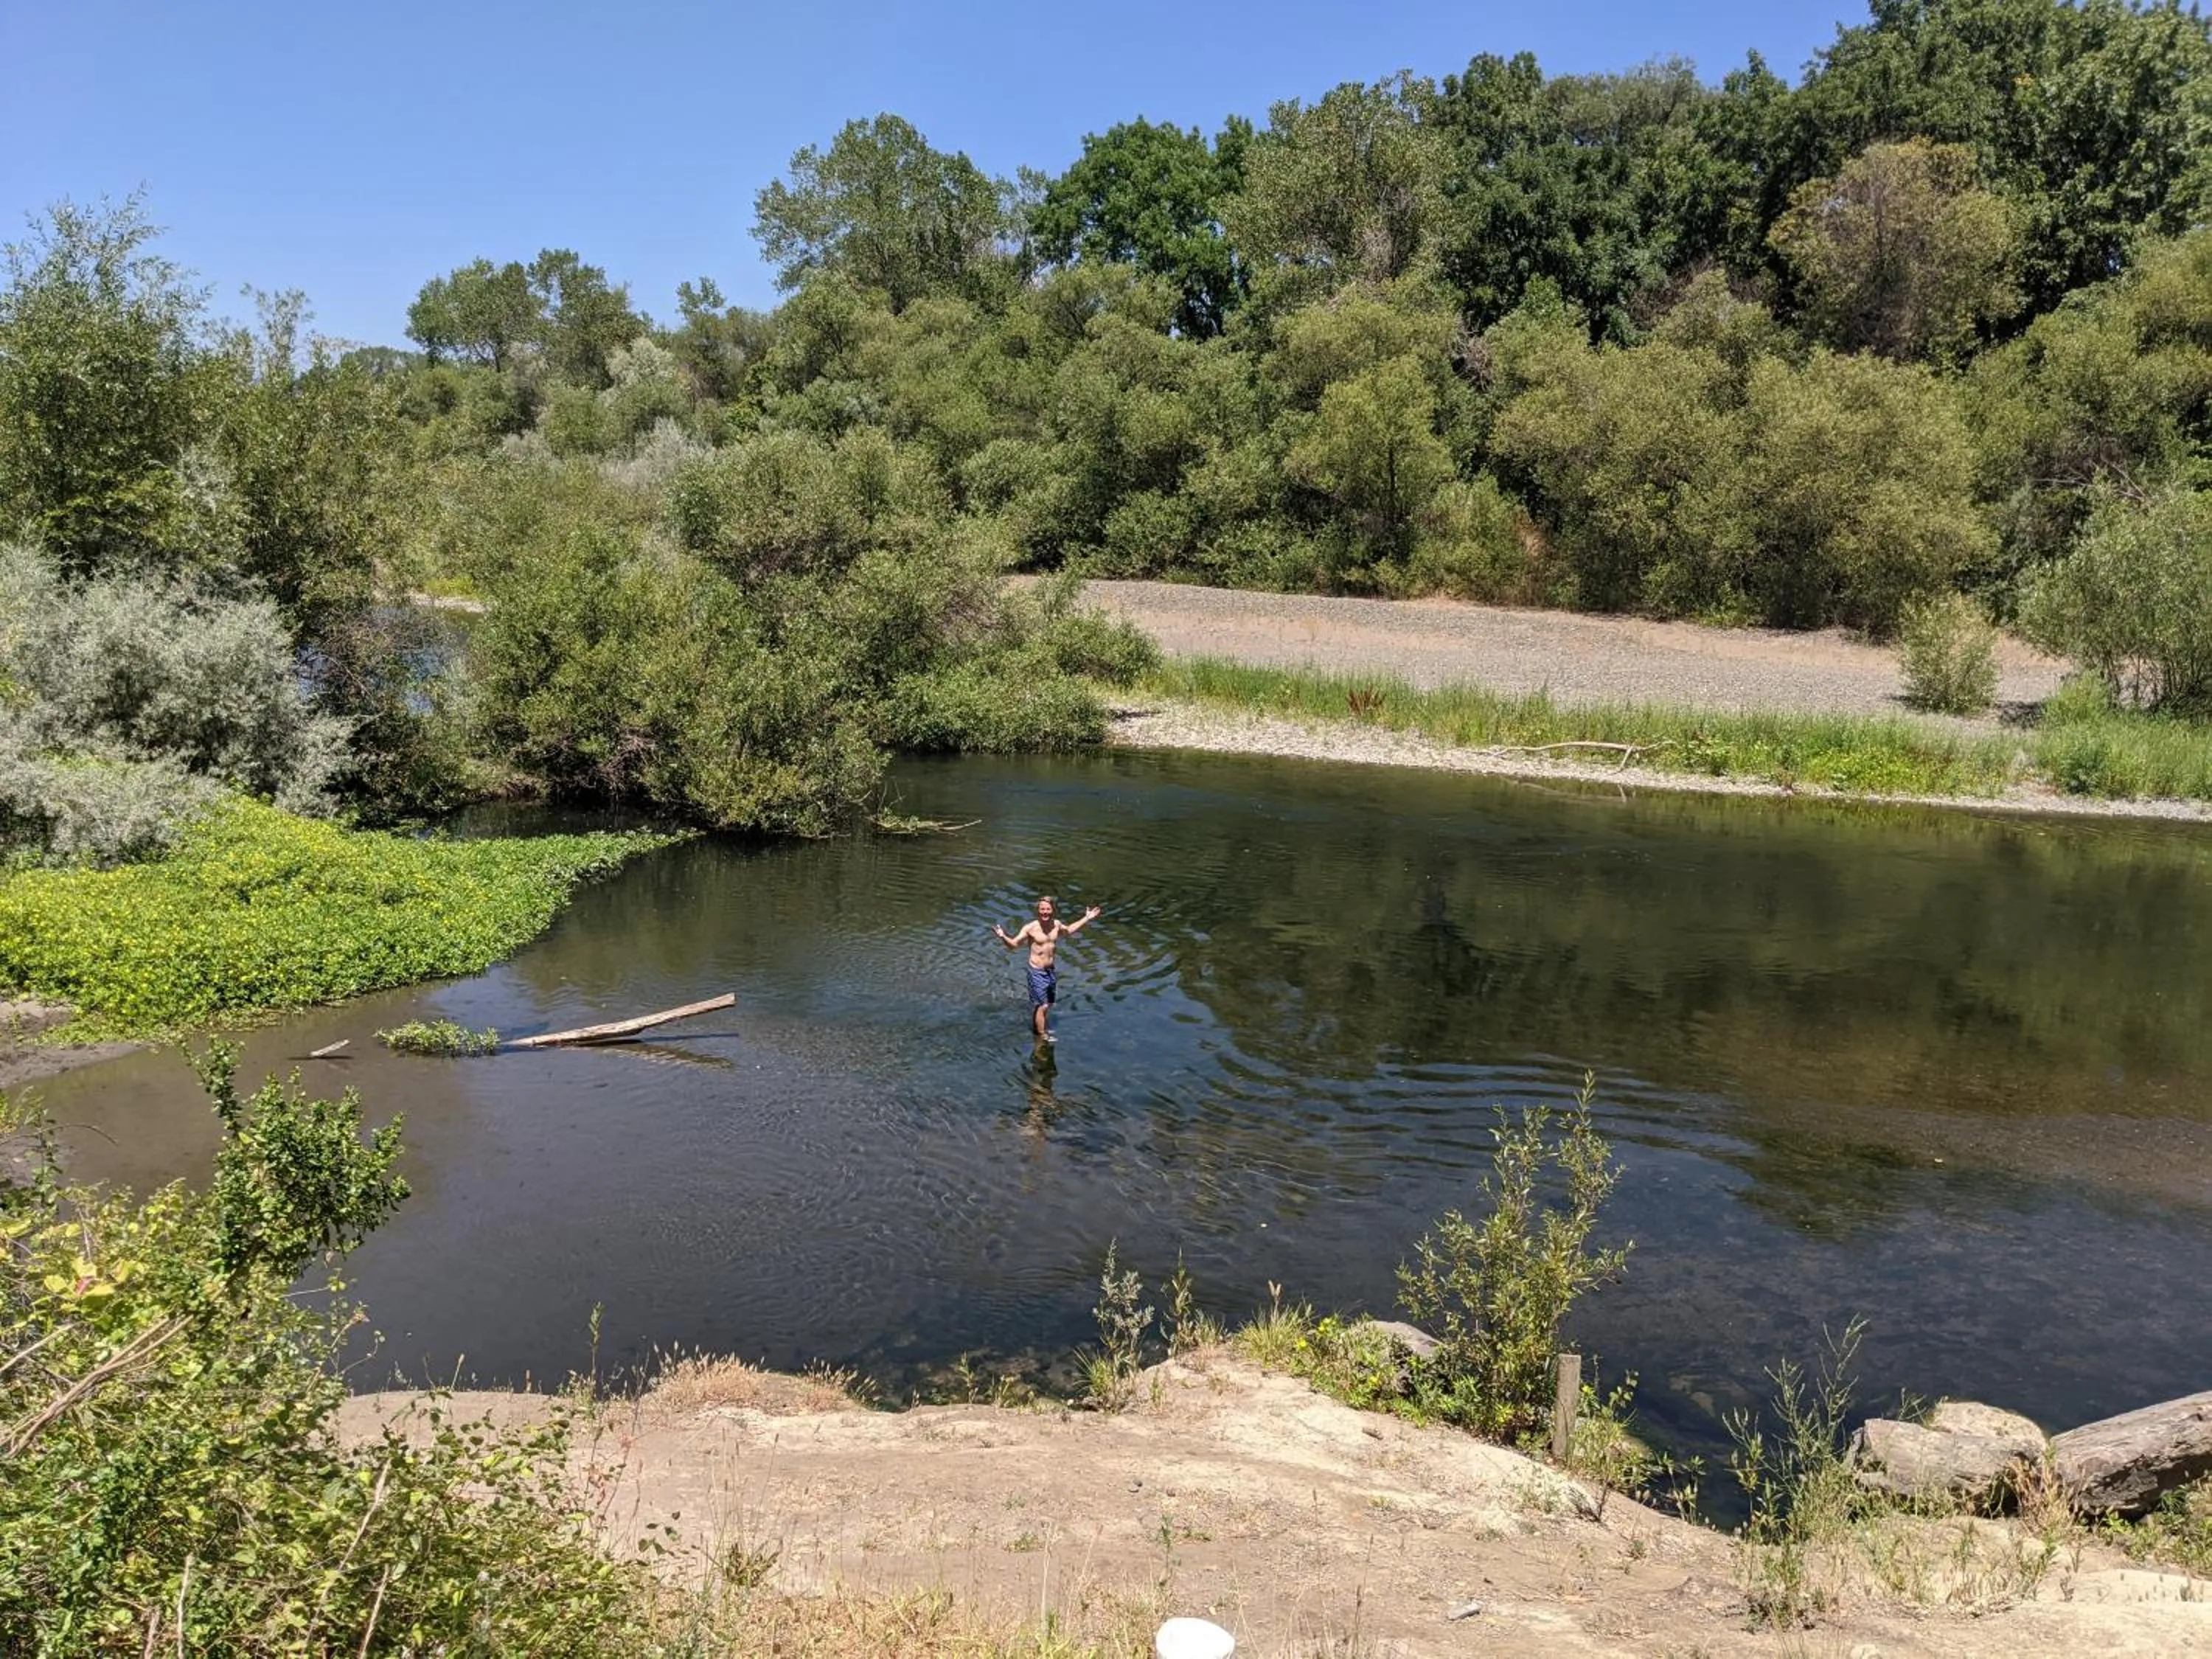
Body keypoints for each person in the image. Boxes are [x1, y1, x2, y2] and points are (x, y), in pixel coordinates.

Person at [991, 894, 1102, 1043]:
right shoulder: (1030, 928)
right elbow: (1014, 946)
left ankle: (1039, 1026)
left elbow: (1068, 931)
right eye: (1042, 909)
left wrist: (1087, 918)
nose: (1045, 912)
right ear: (1038, 911)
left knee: (1048, 1003)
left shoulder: (1056, 924)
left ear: (1053, 910)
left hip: (1050, 970)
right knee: (1042, 1005)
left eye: (1048, 909)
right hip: (1036, 971)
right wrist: (1003, 936)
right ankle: (1041, 1036)